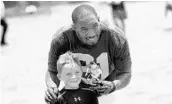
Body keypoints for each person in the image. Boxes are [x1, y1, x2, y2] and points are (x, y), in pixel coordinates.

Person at [45, 4, 132, 103]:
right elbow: (52, 70)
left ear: (99, 20)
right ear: (74, 27)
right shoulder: (62, 39)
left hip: (107, 93)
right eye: (84, 29)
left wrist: (113, 85)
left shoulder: (115, 37)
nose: (91, 34)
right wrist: (52, 88)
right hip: (75, 93)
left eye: (95, 26)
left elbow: (125, 73)